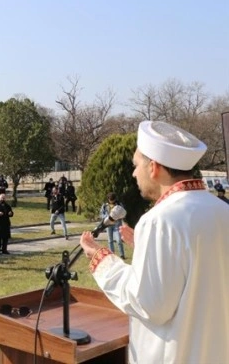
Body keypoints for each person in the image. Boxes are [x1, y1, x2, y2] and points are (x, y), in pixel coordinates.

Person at [79, 120, 229, 364]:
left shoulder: (159, 220)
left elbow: (149, 304)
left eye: (136, 165)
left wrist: (102, 259)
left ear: (154, 167)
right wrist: (145, 250)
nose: (133, 173)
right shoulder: (221, 211)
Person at [99, 192, 125, 259]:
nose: (112, 201)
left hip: (117, 224)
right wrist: (107, 217)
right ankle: (112, 255)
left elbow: (123, 213)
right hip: (108, 225)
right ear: (108, 199)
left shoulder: (119, 204)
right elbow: (101, 214)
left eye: (113, 200)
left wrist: (118, 216)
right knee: (110, 241)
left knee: (119, 240)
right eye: (111, 200)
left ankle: (122, 255)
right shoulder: (105, 206)